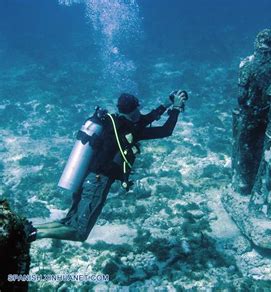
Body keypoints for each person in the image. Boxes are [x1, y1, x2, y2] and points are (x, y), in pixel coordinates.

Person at [26, 90, 188, 242]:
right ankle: (35, 235)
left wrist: (167, 103)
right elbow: (166, 130)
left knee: (69, 221)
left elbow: (145, 120)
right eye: (139, 110)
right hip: (97, 182)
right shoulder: (130, 130)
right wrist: (176, 108)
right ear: (134, 111)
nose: (141, 113)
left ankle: (29, 228)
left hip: (84, 178)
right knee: (80, 232)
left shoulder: (113, 122)